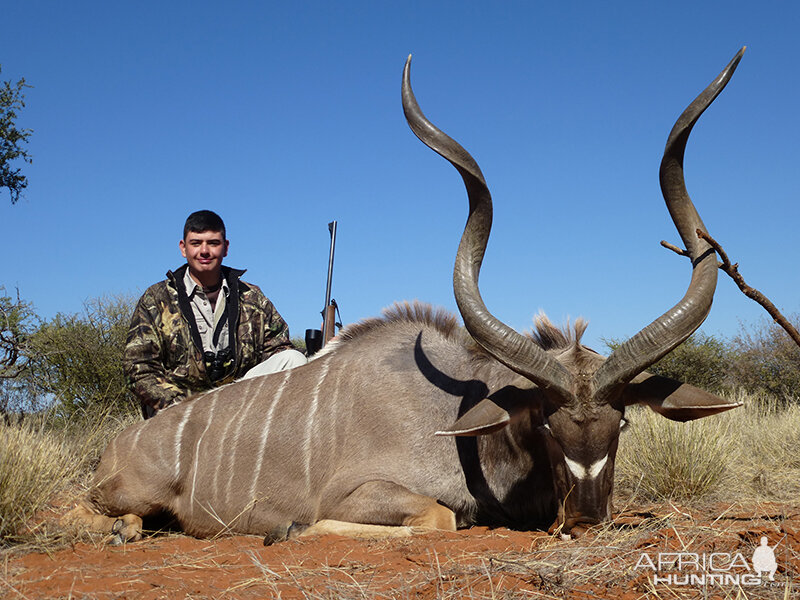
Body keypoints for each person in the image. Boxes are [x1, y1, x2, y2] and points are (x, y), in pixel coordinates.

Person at [124, 210, 307, 418]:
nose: (204, 251)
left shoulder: (251, 296)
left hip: (235, 404)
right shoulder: (156, 299)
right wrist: (182, 407)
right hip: (179, 412)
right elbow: (138, 367)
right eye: (196, 243)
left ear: (225, 247)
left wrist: (323, 353)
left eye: (213, 243)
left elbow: (279, 350)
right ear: (183, 248)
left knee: (294, 359)